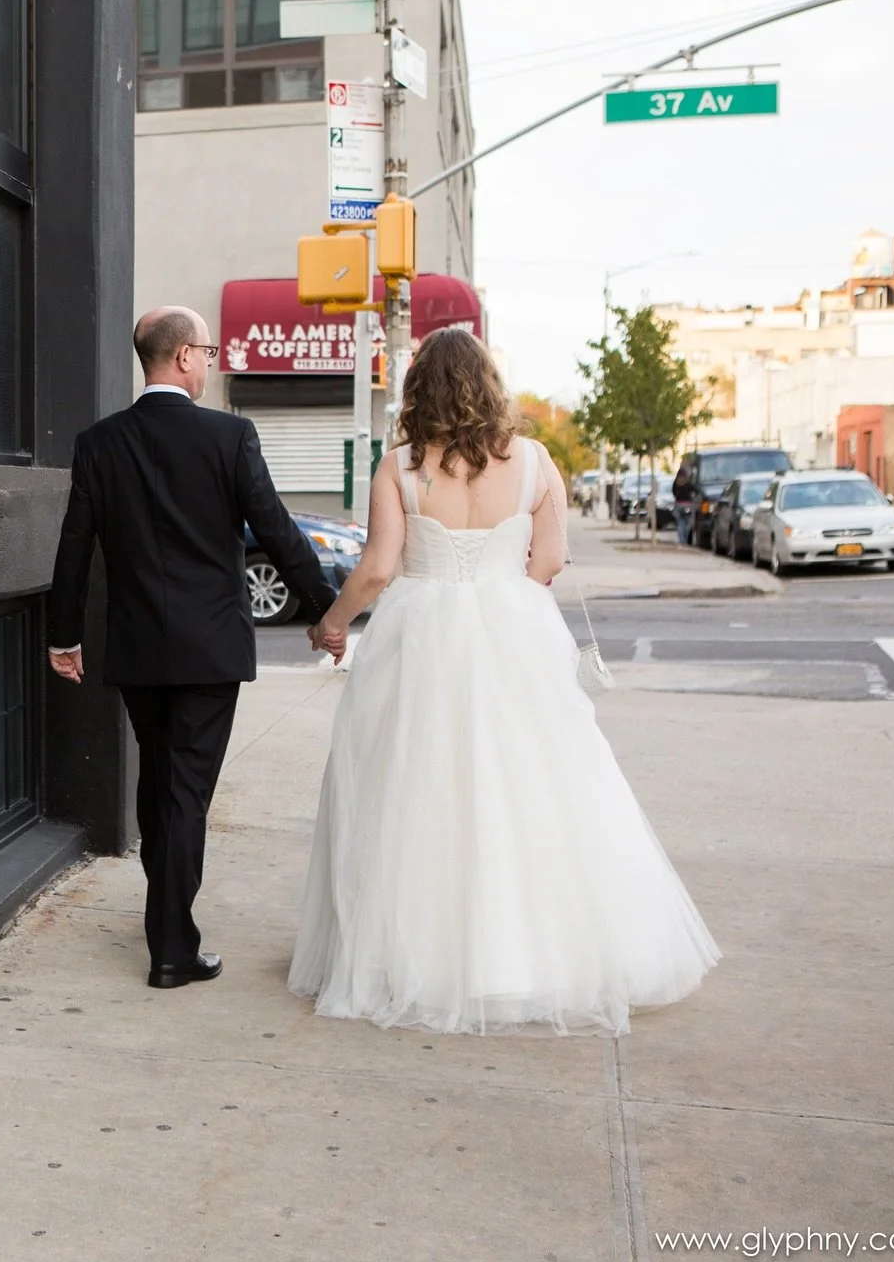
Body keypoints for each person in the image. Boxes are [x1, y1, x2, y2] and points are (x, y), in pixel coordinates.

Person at [290, 328, 719, 1035]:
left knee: (412, 788)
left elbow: (377, 569)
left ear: (417, 389)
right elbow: (547, 561)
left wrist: (332, 625)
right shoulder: (537, 461)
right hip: (514, 630)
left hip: (419, 637)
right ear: (488, 384)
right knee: (535, 788)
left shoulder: (400, 466)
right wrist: (498, 593)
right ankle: (529, 955)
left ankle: (414, 957)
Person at [48, 307, 337, 991]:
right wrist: (327, 608)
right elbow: (275, 528)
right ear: (182, 356)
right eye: (207, 352)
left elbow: (74, 548)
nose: (210, 362)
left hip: (138, 648)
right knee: (185, 794)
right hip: (209, 648)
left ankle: (165, 914)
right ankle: (172, 948)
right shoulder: (229, 436)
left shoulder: (99, 443)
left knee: (159, 782)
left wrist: (64, 634)